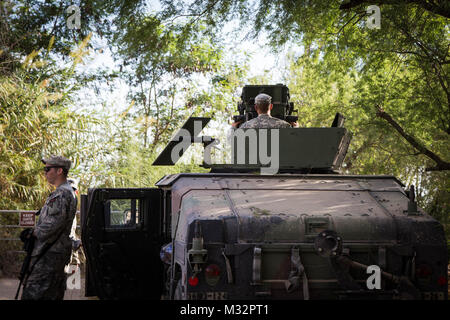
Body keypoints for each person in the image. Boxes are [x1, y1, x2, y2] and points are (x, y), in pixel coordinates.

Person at [21, 155, 77, 300]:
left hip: (49, 257)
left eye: (48, 169)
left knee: (34, 294)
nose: (45, 173)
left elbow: (50, 227)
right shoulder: (64, 192)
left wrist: (32, 233)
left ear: (59, 171)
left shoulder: (62, 193)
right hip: (52, 256)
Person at [232, 93, 298, 128]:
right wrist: (296, 128)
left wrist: (233, 127)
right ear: (271, 106)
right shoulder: (284, 126)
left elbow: (232, 141)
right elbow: (294, 140)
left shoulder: (246, 126)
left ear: (255, 107)